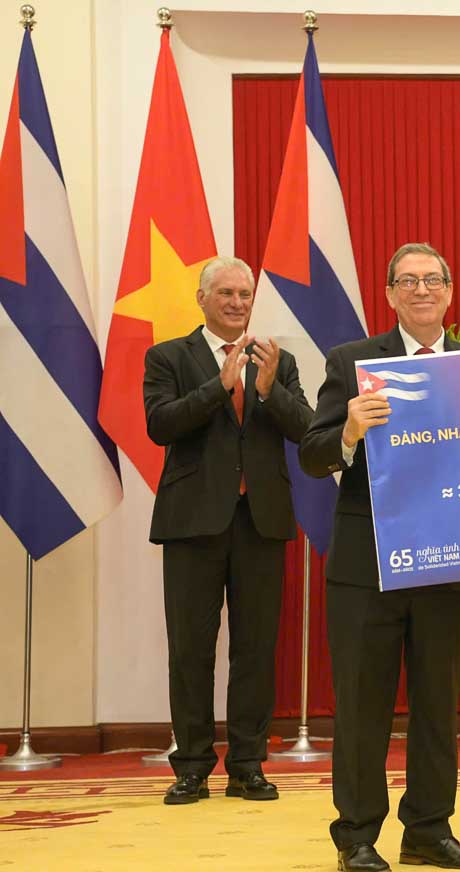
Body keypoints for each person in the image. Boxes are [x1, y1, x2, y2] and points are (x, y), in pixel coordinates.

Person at [299, 243, 460, 872]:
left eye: (433, 279)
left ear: (451, 289)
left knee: (438, 704)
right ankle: (356, 836)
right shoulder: (352, 362)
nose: (422, 289)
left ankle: (429, 831)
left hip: (449, 563)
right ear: (389, 295)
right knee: (362, 705)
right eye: (407, 281)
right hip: (367, 566)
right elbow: (312, 454)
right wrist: (349, 429)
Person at [143, 255, 313, 805]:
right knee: (190, 649)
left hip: (260, 520)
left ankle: (247, 764)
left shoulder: (274, 360)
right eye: (227, 294)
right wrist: (219, 387)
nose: (238, 303)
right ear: (203, 299)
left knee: (256, 649)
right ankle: (191, 765)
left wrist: (267, 388)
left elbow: (308, 430)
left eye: (245, 295)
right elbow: (160, 424)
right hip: (192, 522)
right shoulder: (168, 355)